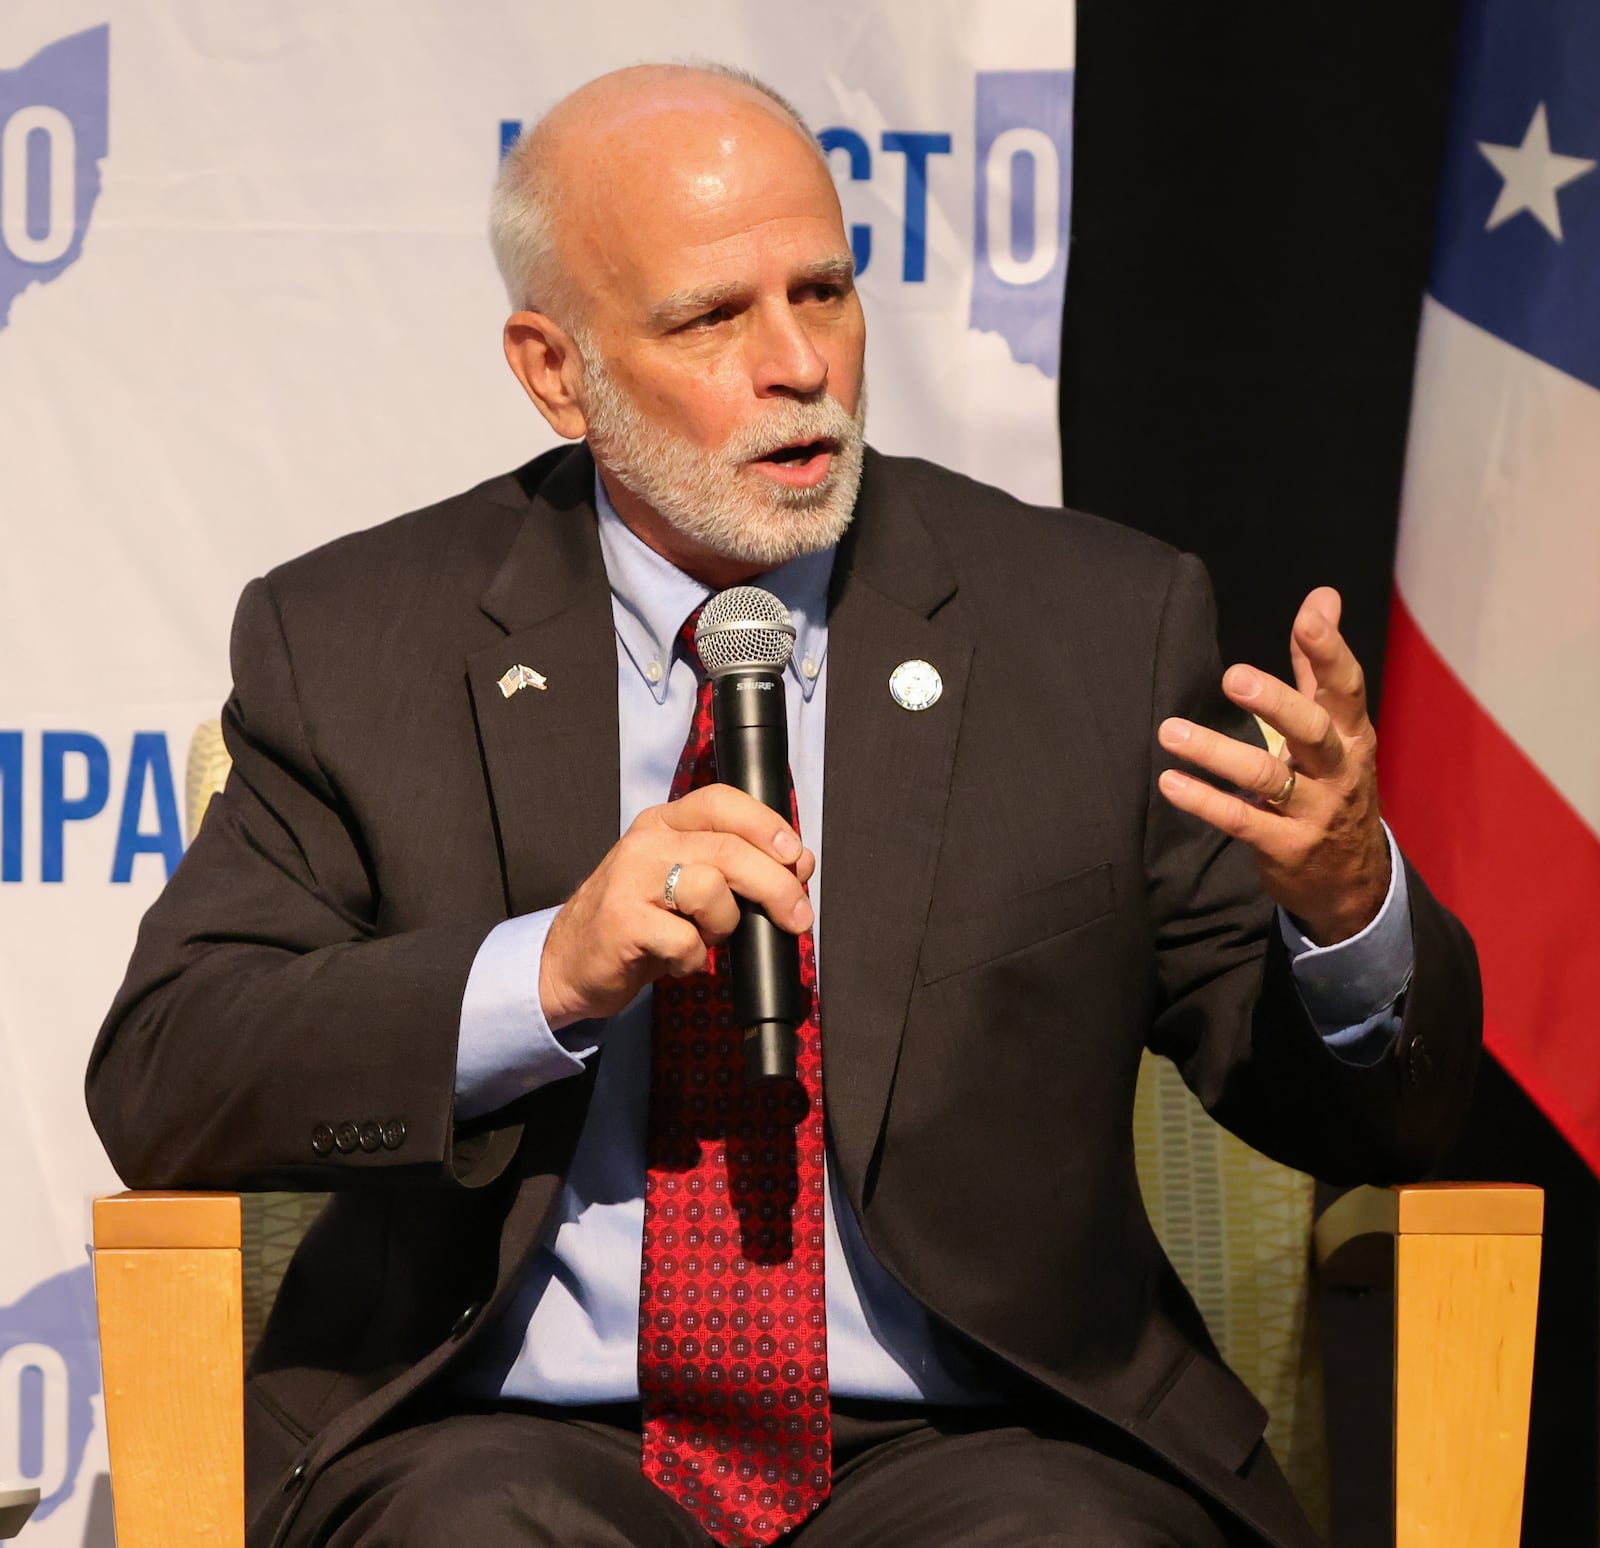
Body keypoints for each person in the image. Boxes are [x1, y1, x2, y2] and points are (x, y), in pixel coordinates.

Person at [86, 63, 1479, 1548]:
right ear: (556, 369)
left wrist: (1347, 911)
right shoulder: (357, 642)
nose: (799, 362)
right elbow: (172, 1074)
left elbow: (1375, 1121)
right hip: (503, 1439)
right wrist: (544, 973)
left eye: (823, 291)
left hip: (993, 1434)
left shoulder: (1094, 628)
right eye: (711, 318)